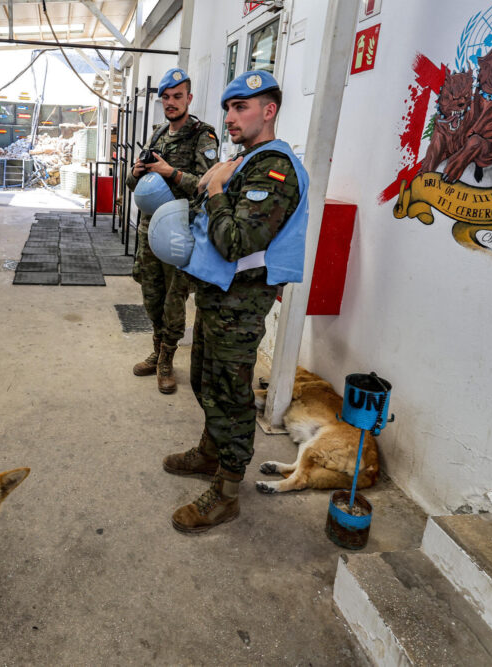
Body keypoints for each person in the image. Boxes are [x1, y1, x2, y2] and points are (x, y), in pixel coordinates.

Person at [161, 70, 309, 533]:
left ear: (269, 111)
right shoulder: (246, 160)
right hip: (218, 295)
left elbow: (236, 241)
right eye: (227, 107)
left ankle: (227, 492)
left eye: (241, 107)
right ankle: (210, 452)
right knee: (207, 383)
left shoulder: (274, 169)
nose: (230, 116)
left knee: (232, 395)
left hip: (240, 304)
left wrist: (221, 188)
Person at [125, 67, 219, 394]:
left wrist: (171, 173)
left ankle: (167, 359)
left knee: (173, 299)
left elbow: (208, 188)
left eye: (177, 96)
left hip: (180, 230)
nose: (170, 102)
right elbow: (131, 184)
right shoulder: (157, 135)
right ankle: (156, 348)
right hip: (150, 228)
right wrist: (136, 172)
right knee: (151, 294)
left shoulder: (203, 136)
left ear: (189, 98)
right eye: (165, 97)